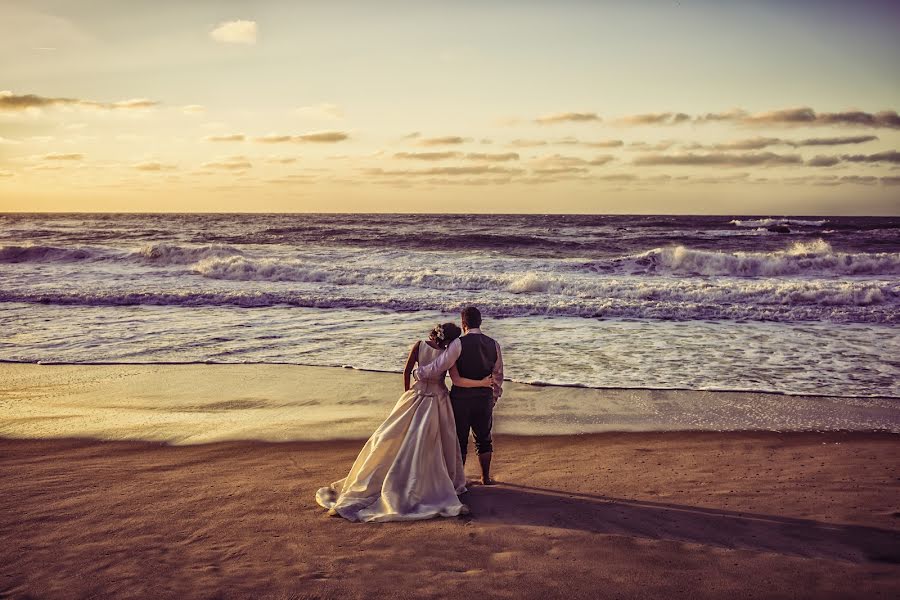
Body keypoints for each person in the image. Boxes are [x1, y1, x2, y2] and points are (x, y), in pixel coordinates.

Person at [315, 322, 493, 522]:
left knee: (395, 435)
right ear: (449, 340)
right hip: (438, 398)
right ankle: (437, 480)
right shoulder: (448, 355)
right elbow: (454, 378)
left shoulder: (419, 345)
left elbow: (407, 370)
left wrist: (408, 391)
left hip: (416, 394)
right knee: (435, 442)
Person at [413, 306, 503, 485]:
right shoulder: (494, 344)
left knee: (460, 440)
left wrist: (418, 373)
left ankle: (458, 480)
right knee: (484, 438)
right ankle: (485, 477)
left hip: (461, 400)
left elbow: (439, 365)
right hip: (483, 398)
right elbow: (498, 374)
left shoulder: (458, 344)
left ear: (464, 324)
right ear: (481, 322)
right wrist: (494, 396)